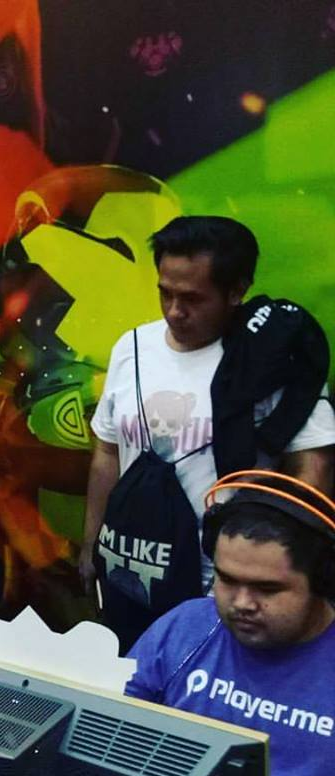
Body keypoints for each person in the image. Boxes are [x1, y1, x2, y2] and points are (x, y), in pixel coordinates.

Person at [82, 216, 335, 627]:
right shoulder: (131, 347)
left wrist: (277, 566)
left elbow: (315, 465)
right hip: (128, 569)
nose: (174, 311)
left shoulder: (270, 358)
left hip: (218, 590)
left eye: (192, 299)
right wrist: (90, 545)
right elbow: (107, 452)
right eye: (165, 293)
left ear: (236, 291)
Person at [125, 472, 335, 776]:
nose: (240, 603)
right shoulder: (185, 627)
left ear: (323, 582)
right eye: (226, 579)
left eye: (267, 589)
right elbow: (112, 727)